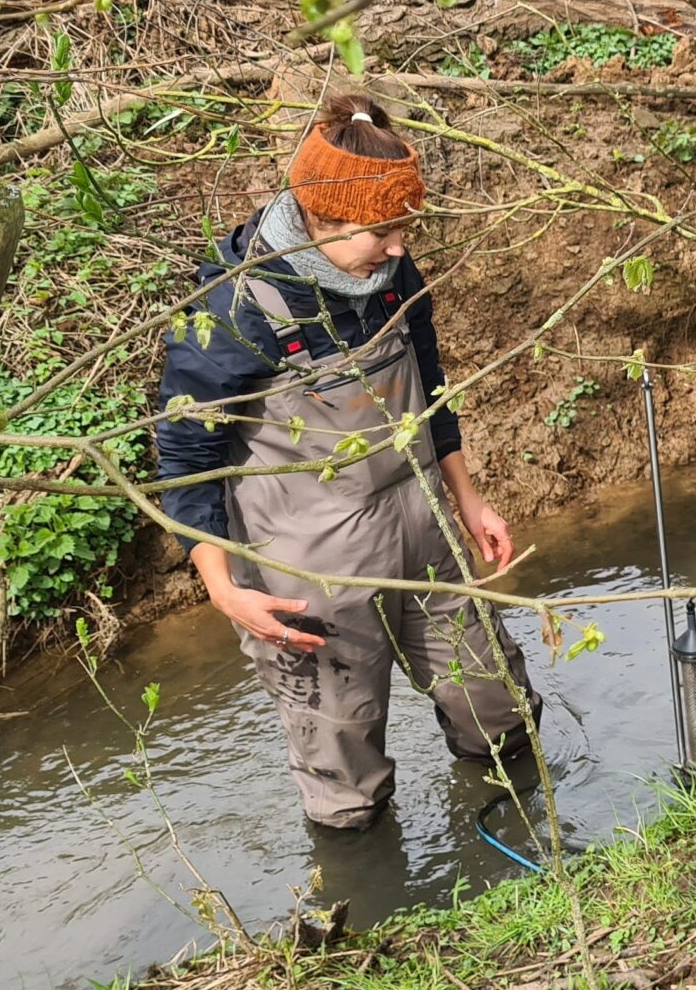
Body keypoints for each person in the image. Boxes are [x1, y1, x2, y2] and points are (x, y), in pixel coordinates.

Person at [155, 93, 541, 829]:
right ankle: (367, 913)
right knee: (346, 780)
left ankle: (533, 858)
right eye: (384, 229)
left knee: (498, 705)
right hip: (312, 580)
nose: (399, 246)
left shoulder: (389, 271)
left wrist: (469, 497)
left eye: (404, 228)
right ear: (322, 218)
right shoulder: (235, 309)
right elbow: (185, 453)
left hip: (423, 530)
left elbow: (427, 381)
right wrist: (222, 589)